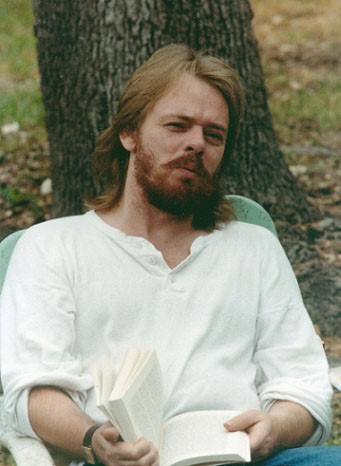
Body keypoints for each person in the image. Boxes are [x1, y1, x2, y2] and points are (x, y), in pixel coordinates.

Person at [0, 44, 338, 466]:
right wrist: (94, 441)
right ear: (129, 133)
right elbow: (33, 389)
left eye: (213, 135)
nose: (196, 143)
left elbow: (302, 385)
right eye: (178, 126)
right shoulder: (51, 247)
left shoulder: (254, 248)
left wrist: (274, 430)